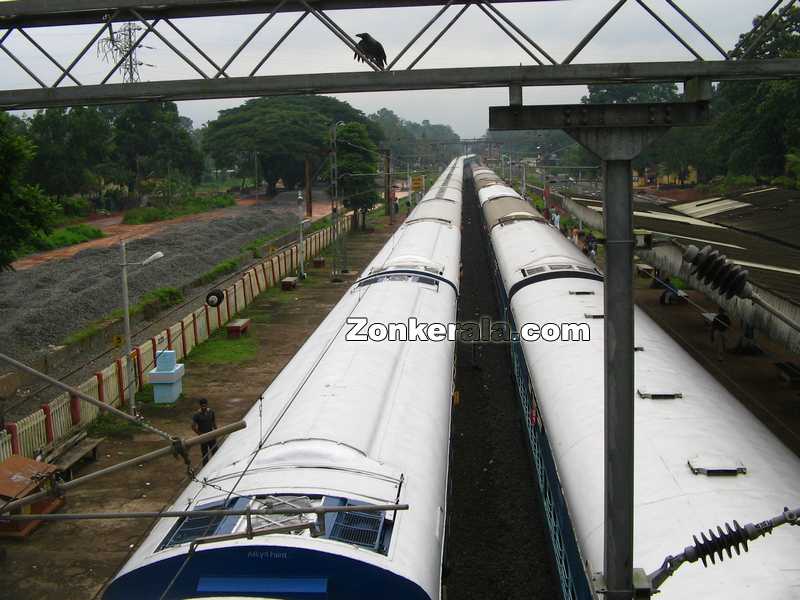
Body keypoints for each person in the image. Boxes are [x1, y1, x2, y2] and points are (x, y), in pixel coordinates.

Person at [192, 398, 218, 465]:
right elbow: (193, 427)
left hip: (212, 435)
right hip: (203, 438)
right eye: (202, 406)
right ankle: (205, 469)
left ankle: (215, 465)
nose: (204, 407)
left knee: (215, 452)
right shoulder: (197, 415)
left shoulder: (211, 412)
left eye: (205, 405)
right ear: (200, 406)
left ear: (207, 405)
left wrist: (216, 431)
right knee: (205, 455)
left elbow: (213, 422)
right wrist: (200, 434)